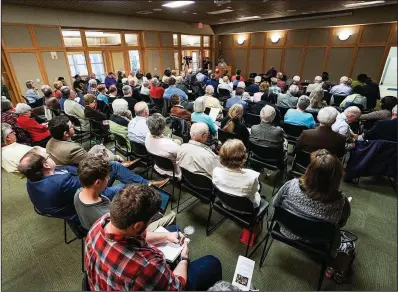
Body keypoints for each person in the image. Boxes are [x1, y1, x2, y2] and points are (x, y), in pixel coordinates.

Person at [85, 183, 222, 291]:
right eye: (151, 220)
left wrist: (167, 236)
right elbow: (178, 287)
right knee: (212, 263)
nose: (151, 222)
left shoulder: (100, 224)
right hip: (143, 277)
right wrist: (184, 259)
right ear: (138, 225)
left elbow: (139, 234)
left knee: (173, 229)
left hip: (103, 283)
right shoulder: (146, 266)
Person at [17, 147, 168, 222]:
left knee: (114, 166)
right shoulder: (59, 183)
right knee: (125, 188)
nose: (50, 156)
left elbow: (75, 172)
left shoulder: (33, 179)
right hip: (88, 206)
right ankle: (151, 192)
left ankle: (147, 183)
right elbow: (91, 186)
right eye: (47, 156)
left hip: (81, 194)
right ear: (46, 166)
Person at [74, 156, 176, 231]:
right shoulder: (106, 214)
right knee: (172, 215)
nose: (109, 178)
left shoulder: (78, 193)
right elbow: (129, 233)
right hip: (125, 232)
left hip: (92, 225)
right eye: (107, 178)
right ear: (97, 182)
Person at [273, 149, 350, 241]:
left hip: (287, 230)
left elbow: (275, 203)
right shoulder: (341, 202)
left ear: (309, 170)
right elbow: (341, 224)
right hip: (317, 240)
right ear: (337, 178)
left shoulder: (291, 185)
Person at [213, 139, 261, 208]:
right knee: (259, 187)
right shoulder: (252, 178)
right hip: (245, 209)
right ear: (244, 157)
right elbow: (256, 190)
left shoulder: (216, 171)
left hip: (225, 203)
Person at [145, 114, 182, 179]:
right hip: (174, 172)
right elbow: (181, 156)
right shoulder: (170, 145)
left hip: (157, 166)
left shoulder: (147, 138)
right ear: (162, 129)